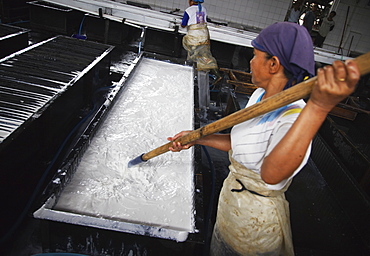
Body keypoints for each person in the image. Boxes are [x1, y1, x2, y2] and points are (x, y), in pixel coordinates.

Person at [167, 22, 360, 255]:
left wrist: (319, 107)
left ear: (273, 64)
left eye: (254, 55)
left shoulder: (294, 117)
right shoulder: (259, 95)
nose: (250, 61)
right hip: (230, 209)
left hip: (255, 228)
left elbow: (271, 175)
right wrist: (196, 139)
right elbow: (237, 144)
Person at [181, 0, 221, 84]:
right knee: (206, 55)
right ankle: (217, 75)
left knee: (193, 54)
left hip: (194, 36)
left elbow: (183, 24)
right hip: (204, 35)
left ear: (192, 1)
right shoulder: (203, 9)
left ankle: (191, 76)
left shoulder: (189, 10)